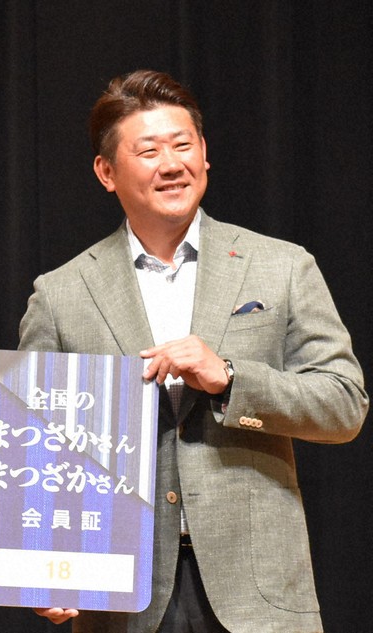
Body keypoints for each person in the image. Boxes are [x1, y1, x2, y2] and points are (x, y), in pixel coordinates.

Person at [18, 70, 368, 632]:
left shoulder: (282, 266)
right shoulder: (60, 294)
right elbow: (32, 447)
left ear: (204, 154)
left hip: (258, 594)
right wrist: (38, 566)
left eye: (183, 145)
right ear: (107, 172)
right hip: (119, 594)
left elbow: (344, 405)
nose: (171, 164)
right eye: (148, 151)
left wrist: (229, 377)